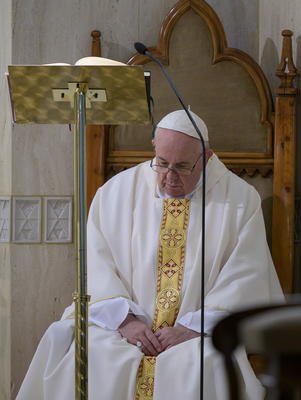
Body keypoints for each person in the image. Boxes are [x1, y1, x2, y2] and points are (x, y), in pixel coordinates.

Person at [17, 110, 284, 399]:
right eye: (162, 163)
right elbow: (96, 266)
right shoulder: (115, 192)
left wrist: (191, 327)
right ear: (154, 147)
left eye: (182, 167)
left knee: (207, 364)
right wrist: (125, 320)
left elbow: (245, 276)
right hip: (123, 327)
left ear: (206, 159)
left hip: (196, 335)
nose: (169, 177)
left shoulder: (240, 200)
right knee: (89, 352)